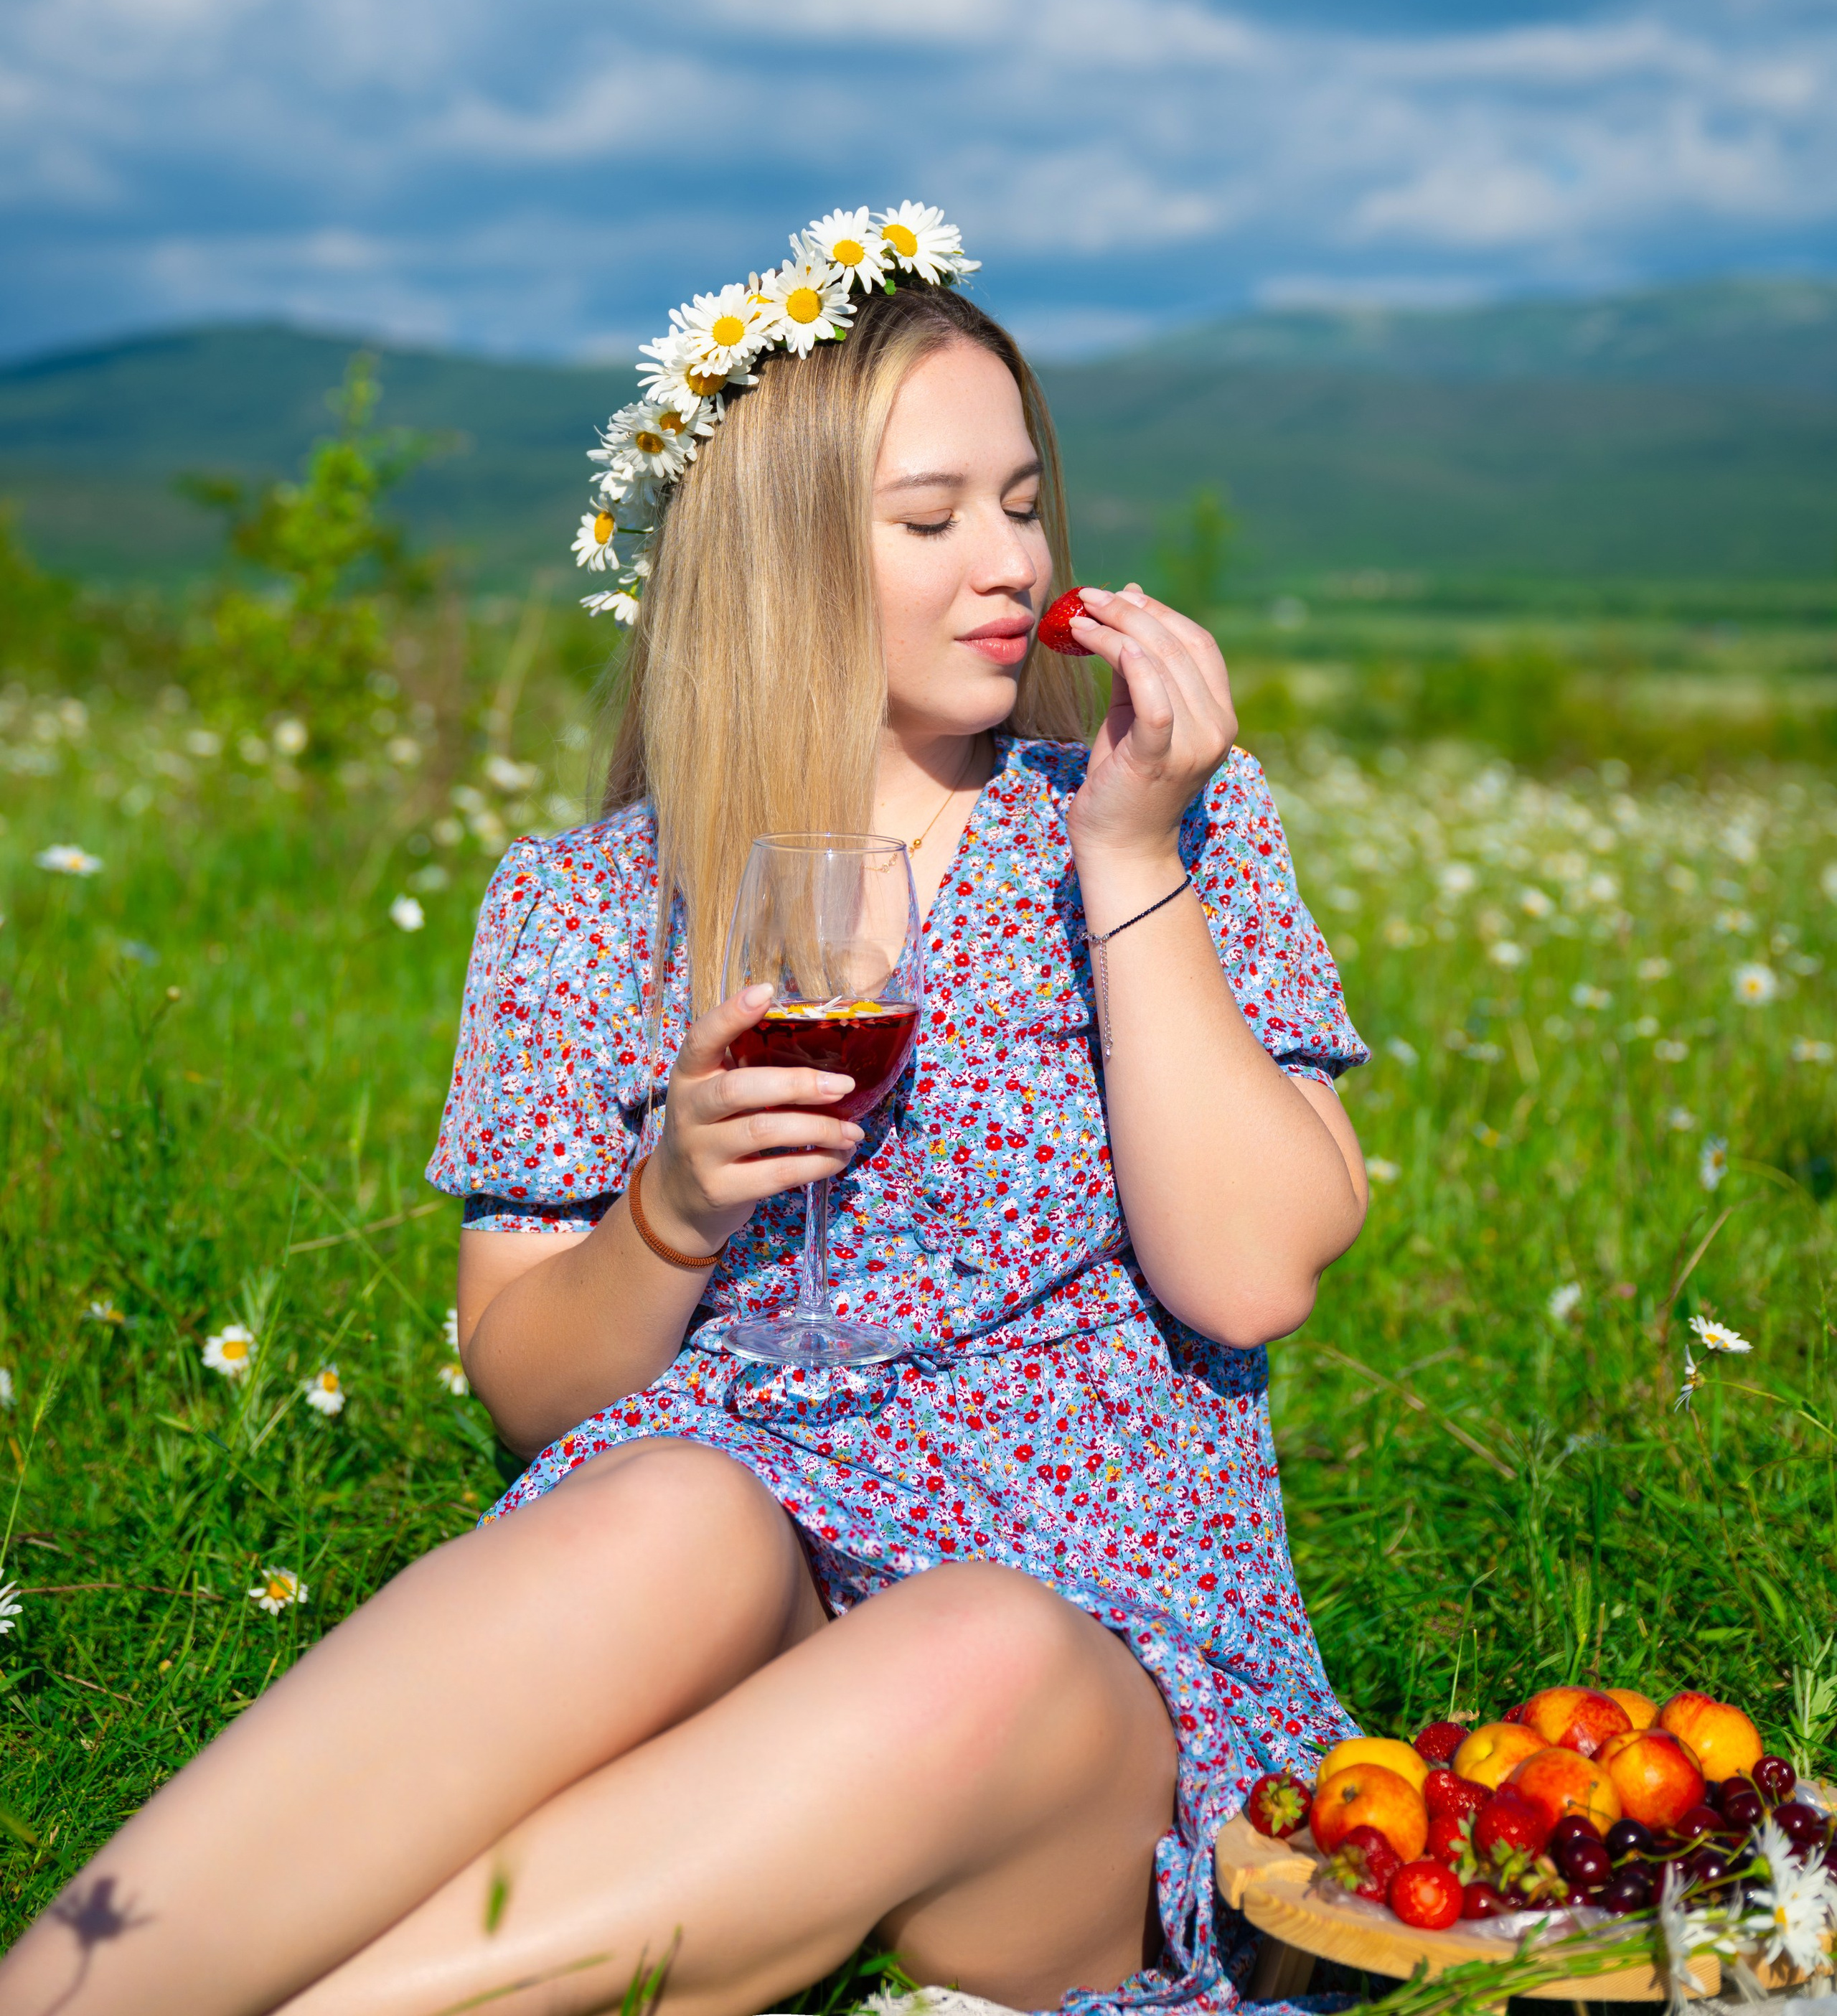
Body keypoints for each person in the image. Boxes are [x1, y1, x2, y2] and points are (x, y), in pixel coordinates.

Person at [0, 210, 1369, 2016]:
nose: (1010, 563)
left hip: (1073, 1694)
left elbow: (1253, 1275)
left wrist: (1127, 858)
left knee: (972, 1640)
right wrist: (669, 1210)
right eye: (929, 518)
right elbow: (530, 1391)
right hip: (747, 1634)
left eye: (1024, 502)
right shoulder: (584, 906)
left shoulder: (1161, 819)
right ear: (775, 554)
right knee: (667, 1508)